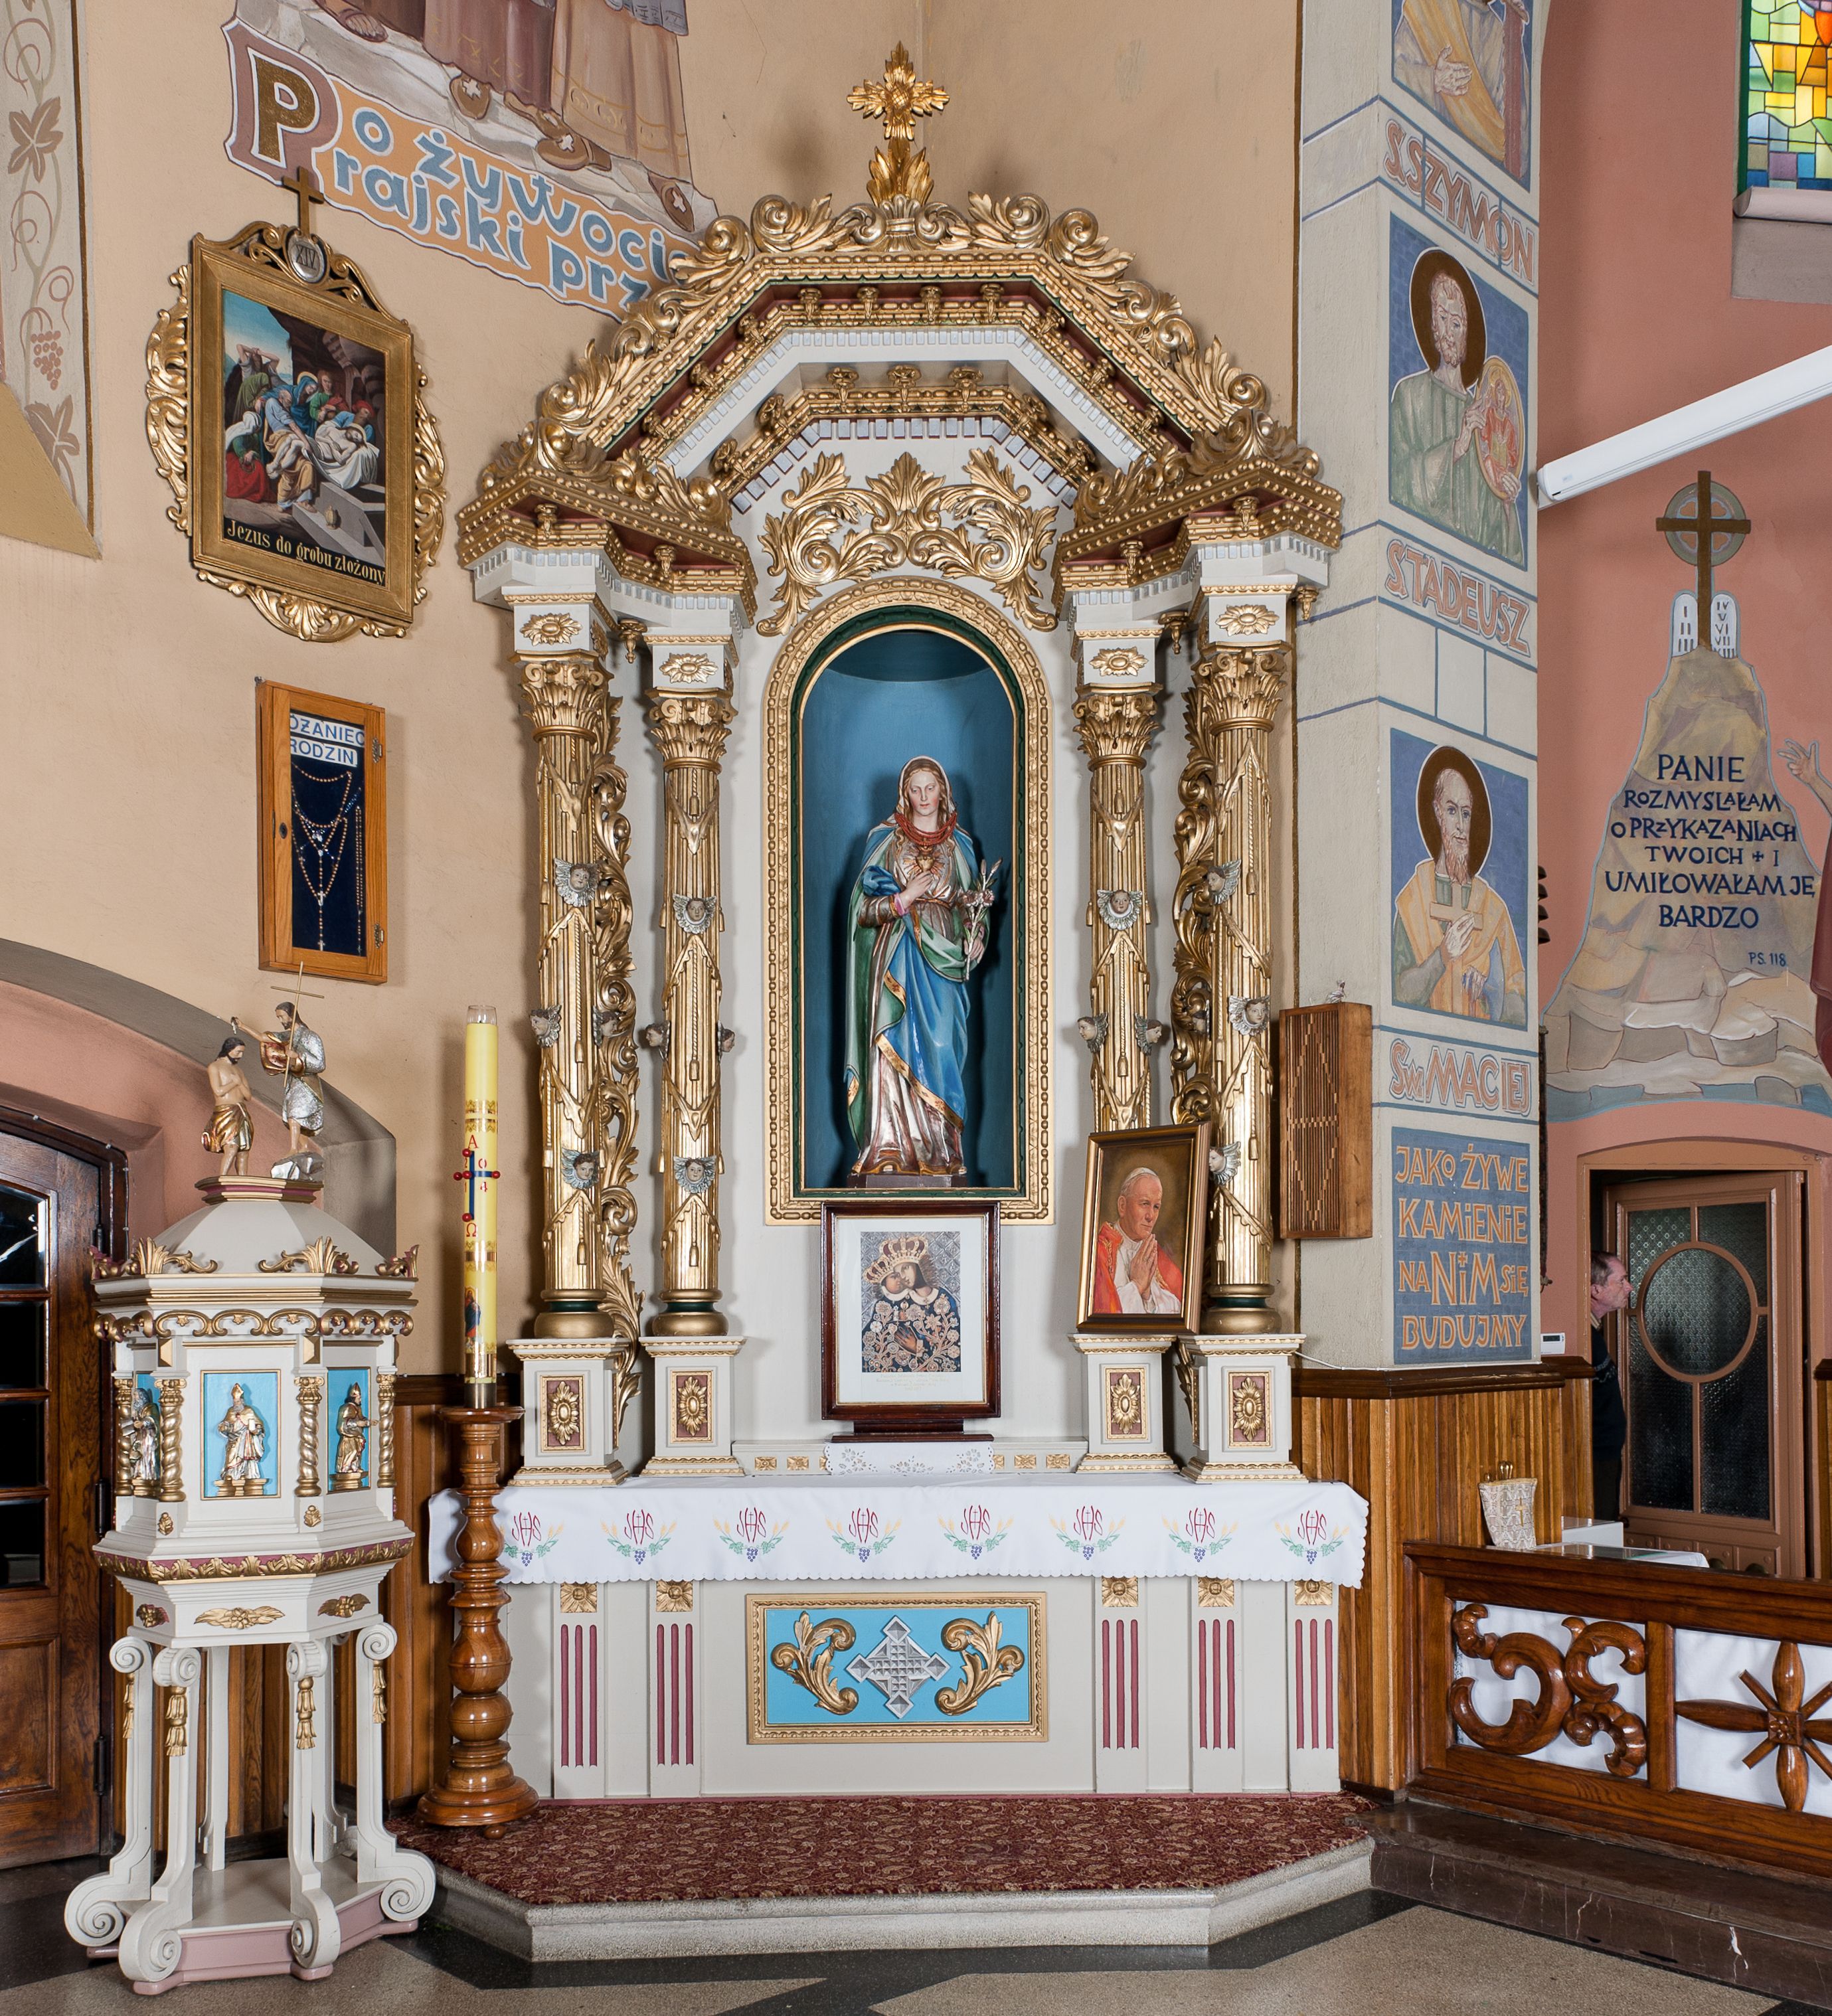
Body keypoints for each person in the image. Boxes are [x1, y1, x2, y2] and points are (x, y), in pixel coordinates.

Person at [844, 756, 997, 1179]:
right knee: (891, 1041)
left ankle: (942, 1151)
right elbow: (861, 911)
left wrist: (977, 932)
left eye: (931, 788)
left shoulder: (960, 845)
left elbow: (972, 903)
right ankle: (890, 1146)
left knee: (944, 1043)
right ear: (905, 794)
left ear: (943, 791)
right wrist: (904, 897)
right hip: (899, 952)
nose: (924, 797)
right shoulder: (886, 841)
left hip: (944, 958)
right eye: (916, 789)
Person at [1389, 259, 1525, 566]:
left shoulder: (1481, 416)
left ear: (1466, 334)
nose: (1450, 332)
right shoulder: (1409, 396)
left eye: (1457, 323)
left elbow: (1495, 533)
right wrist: (1456, 448)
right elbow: (1398, 479)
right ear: (1432, 324)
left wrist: (1505, 502)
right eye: (1442, 318)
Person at [1392, 749, 1527, 1027]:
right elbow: (1399, 990)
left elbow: (1517, 1000)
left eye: (1466, 813)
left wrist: (1490, 987)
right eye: (1452, 811)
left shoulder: (1493, 910)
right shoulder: (1414, 900)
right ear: (1437, 812)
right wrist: (1442, 955)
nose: (1461, 826)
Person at [1091, 1166, 1185, 1318]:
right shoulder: (1100, 1250)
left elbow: (1181, 1311)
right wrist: (1137, 1285)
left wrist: (1148, 1295)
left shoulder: (1155, 1254)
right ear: (1122, 1206)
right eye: (1144, 1204)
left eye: (1156, 1207)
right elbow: (1103, 1315)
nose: (1151, 1216)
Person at [859, 1235, 962, 1373]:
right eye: (897, 1273)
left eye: (906, 1268)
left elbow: (955, 1347)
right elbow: (870, 1341)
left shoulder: (945, 1300)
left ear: (918, 1267)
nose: (902, 1276)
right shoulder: (896, 1302)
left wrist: (917, 1347)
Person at [260, 1001, 327, 1177]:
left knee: (295, 1114)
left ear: (292, 1015)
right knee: (295, 1114)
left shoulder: (311, 1037)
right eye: (278, 1018)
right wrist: (243, 1026)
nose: (281, 1021)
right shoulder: (287, 1036)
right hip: (293, 1082)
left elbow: (320, 1064)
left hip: (307, 1083)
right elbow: (266, 1039)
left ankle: (293, 1148)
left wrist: (298, 1056)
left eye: (282, 1017)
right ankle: (303, 1147)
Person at [1589, 1250, 1631, 1521]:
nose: (1629, 1287)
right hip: (1594, 1457)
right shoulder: (1584, 1339)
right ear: (1596, 1290)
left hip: (1606, 1454)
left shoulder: (1594, 1334)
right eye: (1622, 1281)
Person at [203, 1025, 255, 1178]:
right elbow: (218, 1091)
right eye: (238, 1052)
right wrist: (235, 1083)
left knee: (244, 1151)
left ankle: (243, 1181)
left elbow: (248, 1096)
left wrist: (239, 1083)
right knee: (231, 1148)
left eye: (242, 1053)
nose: (240, 1056)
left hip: (241, 1112)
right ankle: (223, 1179)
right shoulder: (215, 1067)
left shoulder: (239, 1071)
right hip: (226, 1112)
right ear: (228, 1050)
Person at [216, 1382, 268, 1496]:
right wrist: (224, 1427)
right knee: (231, 1455)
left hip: (246, 1439)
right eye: (235, 1402)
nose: (236, 1404)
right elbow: (226, 1424)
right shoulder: (231, 1411)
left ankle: (245, 1473)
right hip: (233, 1440)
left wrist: (256, 1430)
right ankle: (231, 1474)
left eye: (238, 1402)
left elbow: (259, 1425)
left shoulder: (249, 1411)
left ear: (243, 1401)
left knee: (246, 1457)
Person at [333, 1379, 369, 1483]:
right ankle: (345, 1468)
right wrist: (357, 1423)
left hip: (356, 1436)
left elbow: (361, 1418)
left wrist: (366, 1422)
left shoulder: (358, 1408)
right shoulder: (347, 1408)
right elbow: (344, 1423)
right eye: (359, 1398)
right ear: (353, 1398)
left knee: (357, 1453)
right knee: (351, 1452)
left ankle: (355, 1467)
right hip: (348, 1437)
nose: (360, 1399)